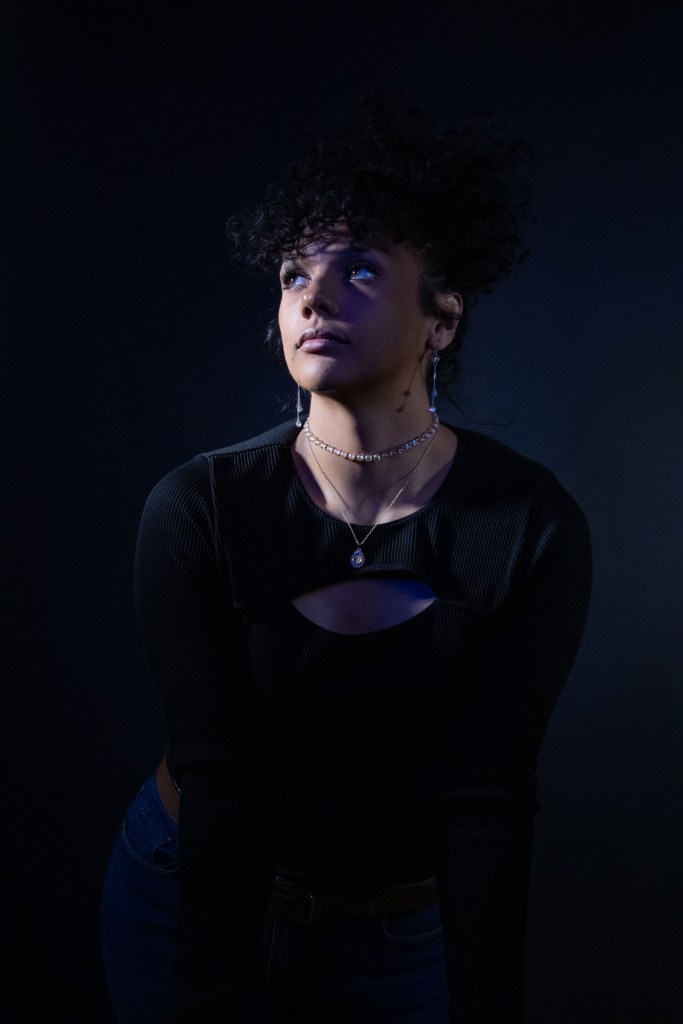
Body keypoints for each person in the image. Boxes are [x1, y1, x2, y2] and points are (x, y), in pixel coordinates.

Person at [100, 97, 592, 1024]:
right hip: (185, 892)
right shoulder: (199, 507)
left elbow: (486, 799)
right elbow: (222, 776)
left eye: (358, 270)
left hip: (400, 936)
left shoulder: (528, 526)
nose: (313, 298)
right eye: (295, 274)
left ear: (442, 318)